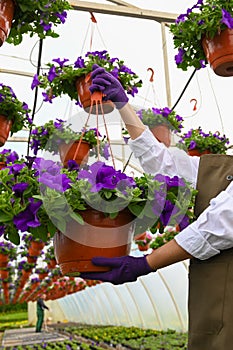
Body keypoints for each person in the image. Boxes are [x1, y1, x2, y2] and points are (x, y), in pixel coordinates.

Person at [80, 64, 233, 350]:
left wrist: (145, 263)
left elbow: (221, 223)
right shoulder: (222, 168)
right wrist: (125, 108)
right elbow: (166, 166)